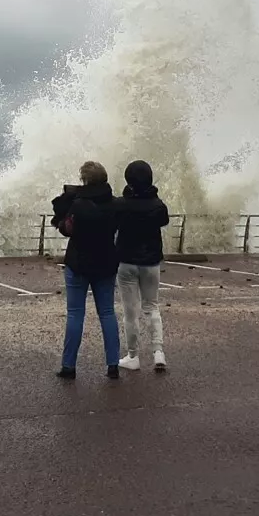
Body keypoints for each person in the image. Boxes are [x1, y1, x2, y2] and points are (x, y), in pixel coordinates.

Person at [51, 161, 121, 380]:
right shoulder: (115, 204)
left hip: (78, 263)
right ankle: (113, 365)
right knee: (107, 313)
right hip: (106, 262)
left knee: (75, 314)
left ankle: (69, 366)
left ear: (85, 180)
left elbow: (67, 229)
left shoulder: (78, 204)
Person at [115, 160, 170, 372]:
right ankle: (158, 353)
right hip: (151, 262)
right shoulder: (158, 206)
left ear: (128, 180)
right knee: (152, 307)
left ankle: (133, 356)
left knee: (131, 312)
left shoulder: (121, 204)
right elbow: (163, 221)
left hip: (126, 262)